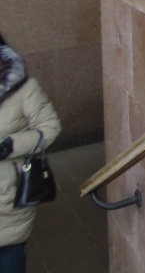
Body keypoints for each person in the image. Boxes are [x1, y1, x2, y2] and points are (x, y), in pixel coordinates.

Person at [0, 35, 61, 273]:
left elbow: (50, 127)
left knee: (9, 261)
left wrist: (10, 146)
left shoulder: (24, 89)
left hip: (6, 198)